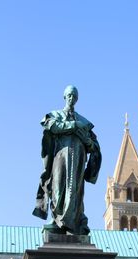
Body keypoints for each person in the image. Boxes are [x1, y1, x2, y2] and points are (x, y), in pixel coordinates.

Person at [33, 85, 101, 235]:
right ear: (64, 97)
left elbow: (94, 145)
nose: (72, 99)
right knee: (57, 188)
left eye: (74, 96)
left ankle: (74, 223)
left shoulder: (85, 122)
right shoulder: (55, 115)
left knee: (75, 190)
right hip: (60, 157)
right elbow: (52, 127)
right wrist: (74, 126)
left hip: (78, 159)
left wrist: (87, 141)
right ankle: (57, 220)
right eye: (69, 95)